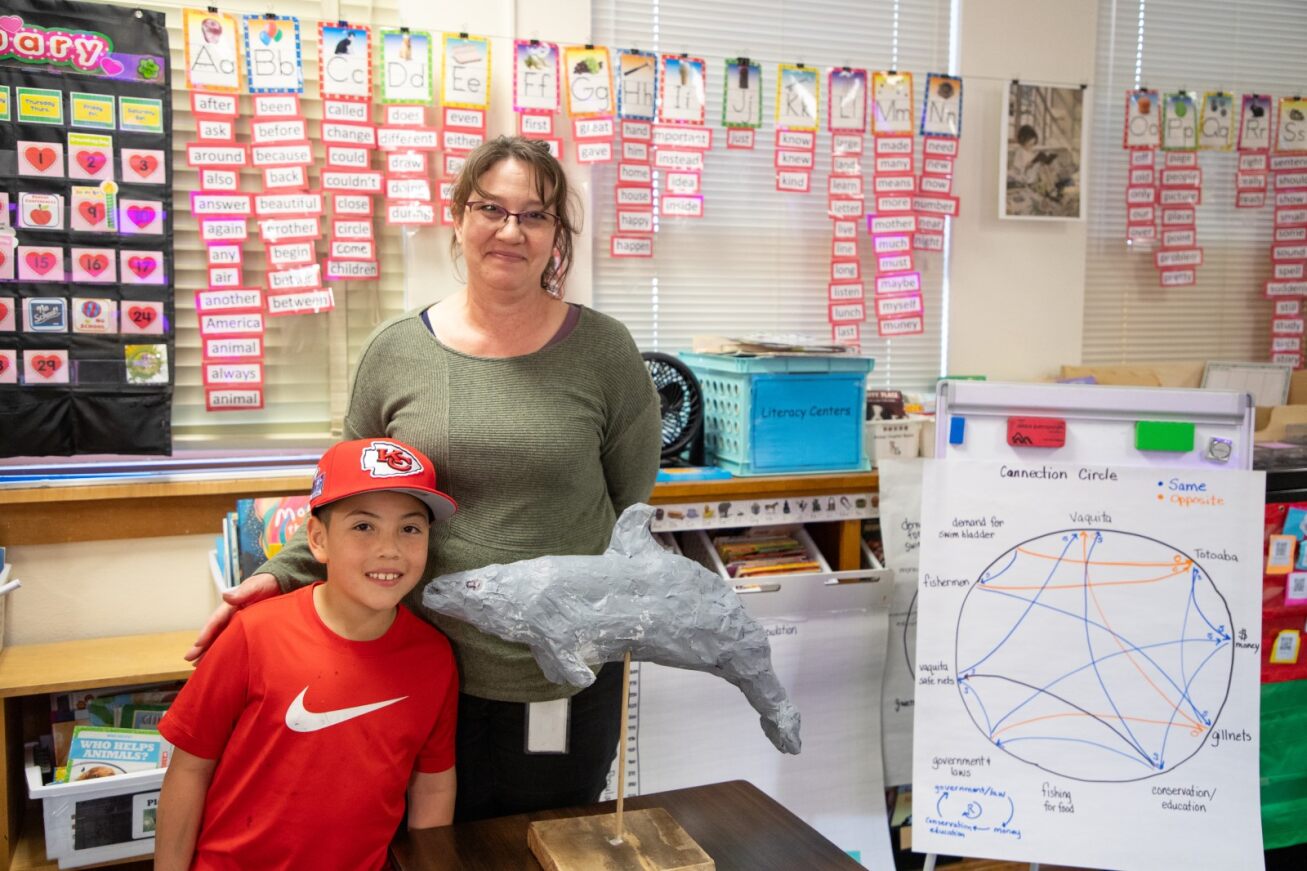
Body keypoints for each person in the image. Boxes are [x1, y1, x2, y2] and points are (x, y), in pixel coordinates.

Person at [186, 135, 662, 822]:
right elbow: (345, 492)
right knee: (422, 844)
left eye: (534, 215)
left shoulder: (605, 351)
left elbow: (628, 502)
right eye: (490, 208)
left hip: (563, 668)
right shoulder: (397, 351)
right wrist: (282, 572)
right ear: (458, 216)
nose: (509, 230)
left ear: (557, 235)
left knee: (549, 841)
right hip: (419, 662)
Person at [156, 437, 460, 870]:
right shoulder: (253, 633)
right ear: (317, 540)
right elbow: (189, 770)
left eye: (410, 528)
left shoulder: (434, 657)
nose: (389, 549)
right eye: (363, 526)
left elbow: (431, 786)